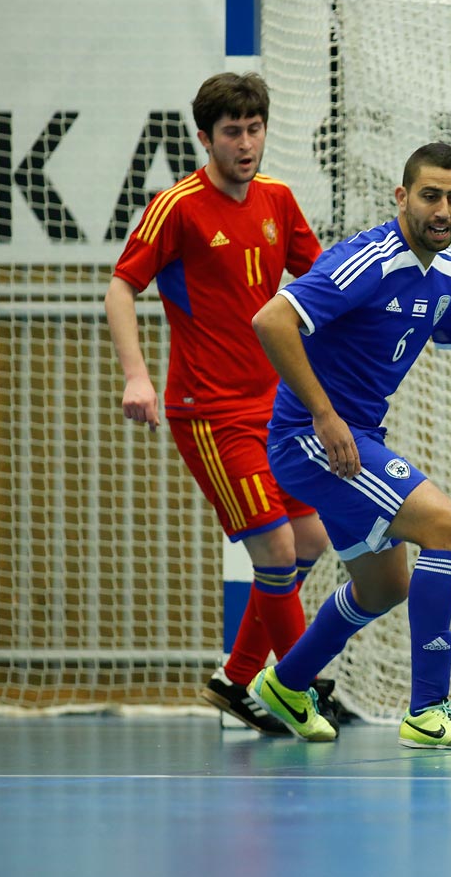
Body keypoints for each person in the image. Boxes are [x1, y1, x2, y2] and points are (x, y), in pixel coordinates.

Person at [247, 141, 451, 748]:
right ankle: (428, 711)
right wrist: (324, 416)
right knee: (449, 528)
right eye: (429, 196)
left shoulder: (447, 276)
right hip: (309, 440)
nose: (442, 210)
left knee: (384, 587)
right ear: (402, 197)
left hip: (357, 439)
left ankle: (286, 684)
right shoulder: (369, 260)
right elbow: (271, 320)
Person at [105, 72, 336, 736]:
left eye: (254, 128)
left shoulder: (278, 201)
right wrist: (136, 377)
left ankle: (237, 679)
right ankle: (299, 691)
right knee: (276, 544)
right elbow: (122, 289)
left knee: (313, 537)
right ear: (205, 138)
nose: (245, 142)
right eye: (231, 132)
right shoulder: (176, 206)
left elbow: (320, 284)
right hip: (209, 412)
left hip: (277, 407)